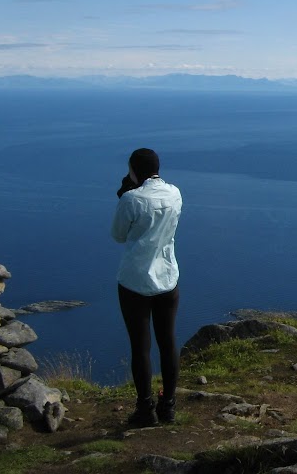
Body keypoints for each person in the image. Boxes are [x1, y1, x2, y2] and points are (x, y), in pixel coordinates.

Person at [112, 148, 182, 427]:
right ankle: (169, 406)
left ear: (133, 170)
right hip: (168, 278)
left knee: (141, 348)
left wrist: (124, 196)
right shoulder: (175, 193)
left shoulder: (131, 199)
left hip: (135, 281)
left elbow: (118, 236)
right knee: (168, 342)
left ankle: (145, 409)